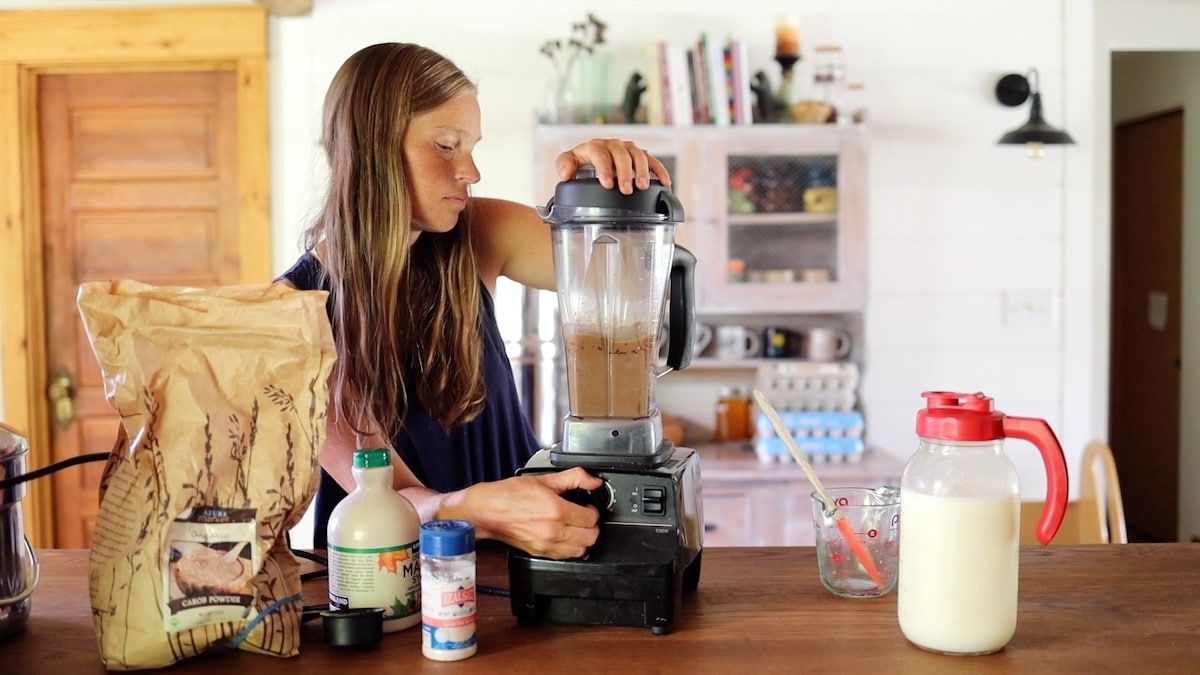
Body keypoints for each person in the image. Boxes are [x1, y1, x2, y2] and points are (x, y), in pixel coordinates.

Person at [279, 42, 671, 560]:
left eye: (472, 147)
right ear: (369, 149)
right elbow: (385, 500)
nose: (471, 171)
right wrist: (474, 509)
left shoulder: (480, 232)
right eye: (446, 145)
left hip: (529, 568)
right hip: (405, 594)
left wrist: (605, 198)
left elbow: (639, 277)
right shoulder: (294, 316)